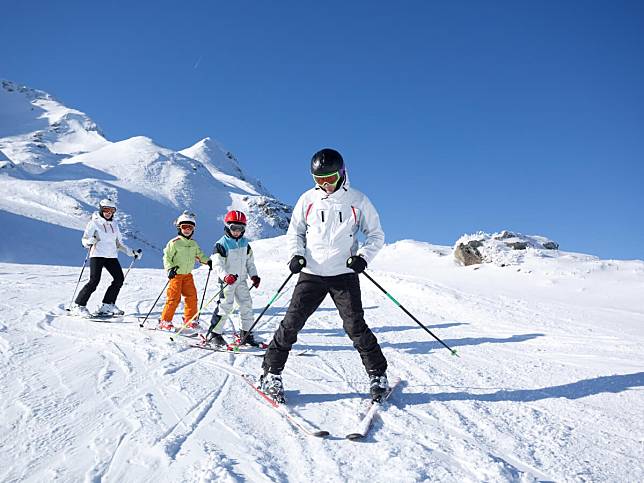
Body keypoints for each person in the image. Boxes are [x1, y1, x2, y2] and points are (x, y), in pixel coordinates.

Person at [260, 148, 388, 402]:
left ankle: (378, 374)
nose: (325, 185)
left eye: (329, 178)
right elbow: (295, 231)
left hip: (344, 273)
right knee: (291, 323)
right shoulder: (307, 200)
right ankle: (270, 373)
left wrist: (362, 257)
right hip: (312, 272)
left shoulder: (358, 200)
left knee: (355, 326)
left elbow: (376, 235)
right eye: (319, 180)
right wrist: (296, 255)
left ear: (341, 173)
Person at [74, 199, 142, 317]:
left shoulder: (114, 225)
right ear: (101, 209)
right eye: (106, 209)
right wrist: (89, 241)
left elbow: (119, 243)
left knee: (119, 279)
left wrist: (132, 252)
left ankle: (107, 304)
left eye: (111, 210)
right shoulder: (94, 223)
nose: (108, 212)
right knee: (94, 281)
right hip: (97, 254)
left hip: (111, 256)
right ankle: (79, 306)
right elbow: (84, 239)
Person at [204, 210, 261, 347]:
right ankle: (214, 334)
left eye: (240, 228)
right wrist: (225, 276)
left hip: (241, 280)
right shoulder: (221, 244)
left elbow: (249, 263)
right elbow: (217, 264)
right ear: (227, 227)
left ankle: (246, 334)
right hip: (227, 281)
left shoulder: (245, 244)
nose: (237, 231)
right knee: (225, 306)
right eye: (234, 228)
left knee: (246, 305)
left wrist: (254, 275)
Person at [159, 211, 211, 331]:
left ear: (193, 229)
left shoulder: (193, 244)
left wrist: (208, 261)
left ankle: (190, 319)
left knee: (192, 297)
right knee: (174, 298)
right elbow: (167, 257)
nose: (187, 230)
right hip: (176, 275)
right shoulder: (174, 243)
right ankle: (165, 321)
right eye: (184, 227)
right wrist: (170, 269)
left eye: (190, 227)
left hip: (188, 275)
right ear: (179, 227)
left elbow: (200, 255)